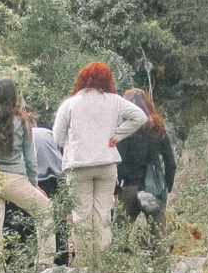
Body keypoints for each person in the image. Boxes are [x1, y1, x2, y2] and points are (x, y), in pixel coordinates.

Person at [52, 63, 146, 252]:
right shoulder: (114, 100)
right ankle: (102, 263)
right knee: (103, 215)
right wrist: (117, 135)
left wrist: (72, 143)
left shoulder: (70, 103)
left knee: (81, 216)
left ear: (83, 79)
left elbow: (57, 137)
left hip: (78, 166)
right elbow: (140, 116)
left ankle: (85, 264)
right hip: (106, 164)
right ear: (107, 80)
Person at [0, 76, 56, 267]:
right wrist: (33, 184)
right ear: (13, 96)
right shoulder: (22, 121)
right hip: (15, 179)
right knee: (45, 210)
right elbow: (30, 158)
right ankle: (45, 263)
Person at [115, 87, 176, 235]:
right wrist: (167, 187)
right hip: (154, 189)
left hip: (130, 187)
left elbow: (119, 163)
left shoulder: (125, 128)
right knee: (159, 239)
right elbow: (170, 163)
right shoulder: (158, 128)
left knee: (119, 237)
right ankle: (159, 259)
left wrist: (117, 189)